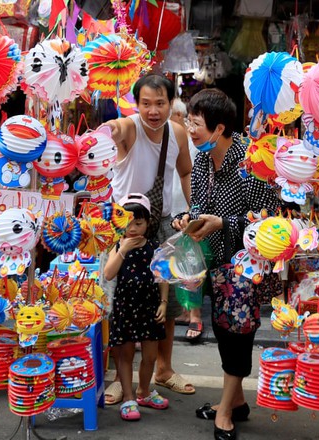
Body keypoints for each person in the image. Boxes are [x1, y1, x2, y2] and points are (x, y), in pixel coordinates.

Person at [172, 89, 280, 440]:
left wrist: (224, 223)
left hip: (246, 263)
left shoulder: (253, 159)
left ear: (219, 129)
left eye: (197, 123)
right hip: (216, 262)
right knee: (222, 329)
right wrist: (186, 220)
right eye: (189, 120)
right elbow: (200, 204)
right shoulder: (202, 159)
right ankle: (236, 402)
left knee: (238, 334)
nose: (190, 129)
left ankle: (224, 413)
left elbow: (269, 220)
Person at [104, 74, 195, 401]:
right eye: (145, 103)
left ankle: (164, 369)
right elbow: (118, 128)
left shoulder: (178, 133)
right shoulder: (130, 127)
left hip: (162, 223)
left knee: (165, 303)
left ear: (171, 103)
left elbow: (185, 171)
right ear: (136, 104)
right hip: (123, 225)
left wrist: (192, 210)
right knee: (117, 301)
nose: (153, 110)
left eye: (160, 103)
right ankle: (118, 376)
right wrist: (112, 130)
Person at [103, 193, 169, 421]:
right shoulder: (118, 246)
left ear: (147, 223)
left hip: (149, 306)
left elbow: (162, 277)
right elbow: (109, 273)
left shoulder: (154, 246)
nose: (132, 228)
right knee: (126, 354)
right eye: (128, 223)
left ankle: (144, 391)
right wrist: (123, 249)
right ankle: (128, 396)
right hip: (126, 306)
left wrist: (163, 302)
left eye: (138, 223)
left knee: (150, 354)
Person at [169, 98, 203, 342]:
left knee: (191, 263)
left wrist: (195, 209)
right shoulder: (161, 140)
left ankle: (195, 315)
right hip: (169, 210)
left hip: (186, 208)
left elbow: (191, 174)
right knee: (173, 264)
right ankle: (182, 310)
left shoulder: (190, 141)